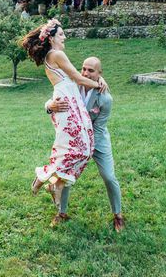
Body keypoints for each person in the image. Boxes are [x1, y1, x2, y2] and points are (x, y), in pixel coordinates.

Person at [21, 19, 107, 210]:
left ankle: (52, 182)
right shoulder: (56, 54)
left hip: (72, 105)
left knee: (84, 150)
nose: (65, 36)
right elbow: (77, 78)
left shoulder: (54, 56)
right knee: (75, 152)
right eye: (61, 34)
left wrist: (98, 79)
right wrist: (99, 84)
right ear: (51, 39)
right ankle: (47, 179)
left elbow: (76, 80)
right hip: (66, 108)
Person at [45, 57, 125, 232]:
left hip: (97, 140)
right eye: (84, 69)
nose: (85, 73)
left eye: (91, 70)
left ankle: (118, 216)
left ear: (99, 74)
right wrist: (50, 105)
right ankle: (61, 213)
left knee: (109, 177)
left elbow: (99, 127)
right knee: (64, 174)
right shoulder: (72, 84)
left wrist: (84, 146)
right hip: (74, 141)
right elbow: (53, 99)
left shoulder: (105, 99)